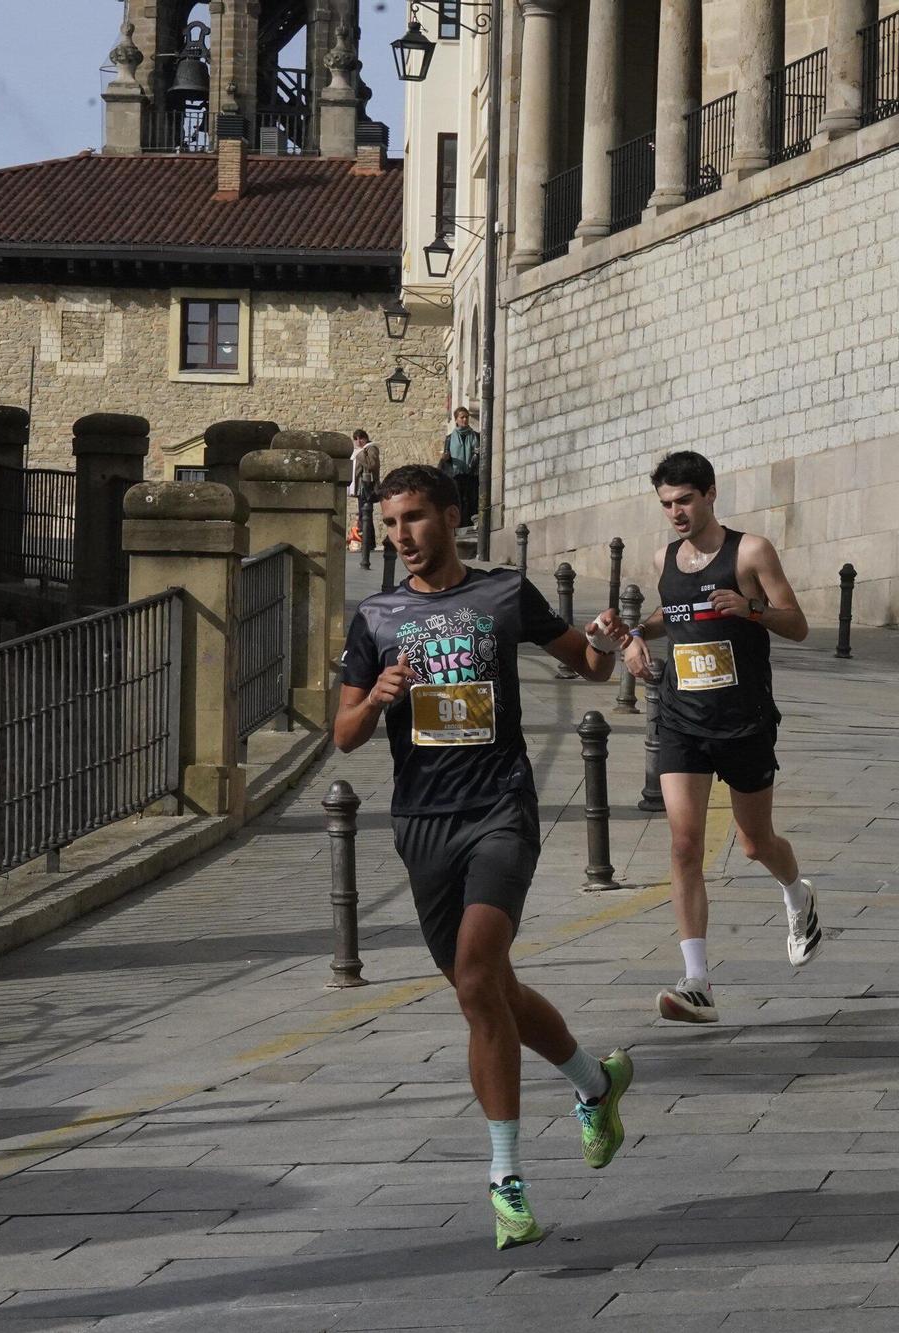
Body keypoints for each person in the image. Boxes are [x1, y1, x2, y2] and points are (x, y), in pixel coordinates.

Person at [336, 463, 634, 1251]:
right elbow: (343, 734)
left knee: (475, 973)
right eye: (390, 522)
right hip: (422, 822)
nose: (400, 536)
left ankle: (505, 1180)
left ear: (451, 517)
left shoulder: (505, 596)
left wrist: (604, 642)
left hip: (501, 808)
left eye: (413, 519)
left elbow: (592, 668)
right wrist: (377, 699)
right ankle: (596, 1087)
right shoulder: (375, 616)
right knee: (490, 989)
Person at [620, 451, 819, 1025]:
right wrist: (633, 633)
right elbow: (672, 613)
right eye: (666, 505)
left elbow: (798, 625)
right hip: (682, 719)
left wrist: (752, 608)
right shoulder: (664, 556)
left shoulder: (750, 550)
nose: (676, 514)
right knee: (684, 845)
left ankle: (796, 892)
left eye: (684, 501)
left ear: (710, 494)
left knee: (755, 844)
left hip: (745, 719)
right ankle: (697, 981)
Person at [443, 406, 481, 527]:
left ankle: (472, 524)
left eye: (466, 417)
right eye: (462, 417)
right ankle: (459, 525)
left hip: (472, 473)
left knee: (472, 500)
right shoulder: (449, 438)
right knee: (459, 500)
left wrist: (476, 455)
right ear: (456, 420)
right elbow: (446, 458)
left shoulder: (476, 436)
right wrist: (446, 457)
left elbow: (480, 453)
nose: (465, 419)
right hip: (457, 474)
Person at [349, 429, 381, 569]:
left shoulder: (371, 448)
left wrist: (360, 454)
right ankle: (368, 543)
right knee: (364, 514)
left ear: (365, 438)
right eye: (356, 439)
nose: (358, 441)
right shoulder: (360, 450)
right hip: (361, 486)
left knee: (365, 514)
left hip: (367, 486)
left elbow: (372, 464)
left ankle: (368, 544)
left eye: (360, 438)